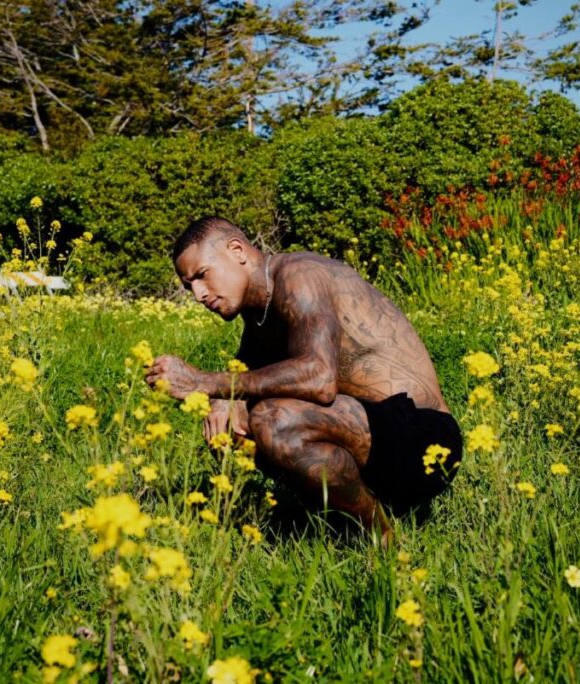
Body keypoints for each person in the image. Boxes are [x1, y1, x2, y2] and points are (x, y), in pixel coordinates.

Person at [144, 216, 462, 542]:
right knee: (236, 422)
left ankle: (379, 540)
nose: (198, 294)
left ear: (236, 250)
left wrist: (204, 383)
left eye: (201, 275)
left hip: (424, 439)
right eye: (189, 287)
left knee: (273, 419)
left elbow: (318, 378)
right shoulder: (258, 312)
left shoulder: (299, 275)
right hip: (372, 440)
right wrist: (222, 401)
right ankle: (342, 517)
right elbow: (247, 379)